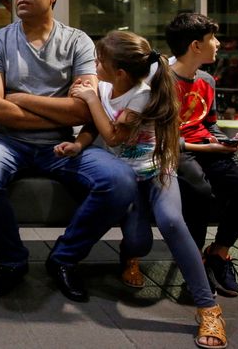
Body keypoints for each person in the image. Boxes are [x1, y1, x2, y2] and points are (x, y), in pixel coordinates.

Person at [0, 0, 136, 302]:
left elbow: (84, 107)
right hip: (3, 140)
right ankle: (13, 260)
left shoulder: (78, 43)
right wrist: (60, 114)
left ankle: (65, 257)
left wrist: (21, 98)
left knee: (119, 180)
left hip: (62, 146)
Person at [56, 31, 227, 349]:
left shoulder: (142, 93)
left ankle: (209, 309)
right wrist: (78, 144)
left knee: (172, 222)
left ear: (119, 71)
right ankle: (130, 255)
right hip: (127, 177)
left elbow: (115, 137)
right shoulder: (108, 82)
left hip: (157, 170)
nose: (94, 65)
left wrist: (91, 99)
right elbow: (94, 126)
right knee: (139, 241)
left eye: (99, 61)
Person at [166, 13, 238, 298]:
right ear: (196, 45)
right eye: (213, 39)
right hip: (180, 150)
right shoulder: (163, 79)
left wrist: (223, 141)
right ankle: (194, 265)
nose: (218, 44)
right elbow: (163, 138)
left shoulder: (206, 79)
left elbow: (208, 121)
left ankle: (219, 253)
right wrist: (206, 147)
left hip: (207, 147)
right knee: (198, 189)